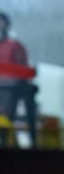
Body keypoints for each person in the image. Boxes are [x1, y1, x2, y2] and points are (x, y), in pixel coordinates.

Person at [0, 12, 38, 145]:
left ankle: (6, 140)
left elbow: (23, 69)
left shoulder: (15, 46)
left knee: (7, 98)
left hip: (12, 87)